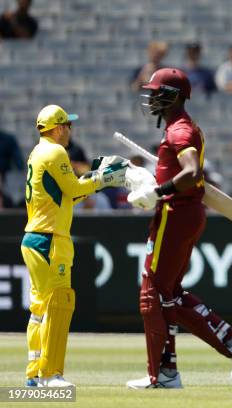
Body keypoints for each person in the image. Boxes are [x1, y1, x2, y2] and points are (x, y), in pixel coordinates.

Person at [125, 68, 232, 389]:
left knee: (152, 293)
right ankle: (171, 370)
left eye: (158, 92)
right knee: (167, 295)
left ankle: (220, 347)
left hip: (176, 214)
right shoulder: (180, 127)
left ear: (174, 96)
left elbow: (193, 172)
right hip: (185, 213)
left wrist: (155, 191)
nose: (153, 97)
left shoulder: (180, 131)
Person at [21, 105, 127, 387]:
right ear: (57, 128)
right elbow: (76, 190)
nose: (70, 130)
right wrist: (104, 178)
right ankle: (50, 374)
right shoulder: (55, 152)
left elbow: (66, 196)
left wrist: (97, 178)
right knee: (59, 304)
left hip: (35, 237)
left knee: (40, 309)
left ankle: (35, 373)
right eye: (67, 125)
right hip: (50, 239)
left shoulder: (37, 152)